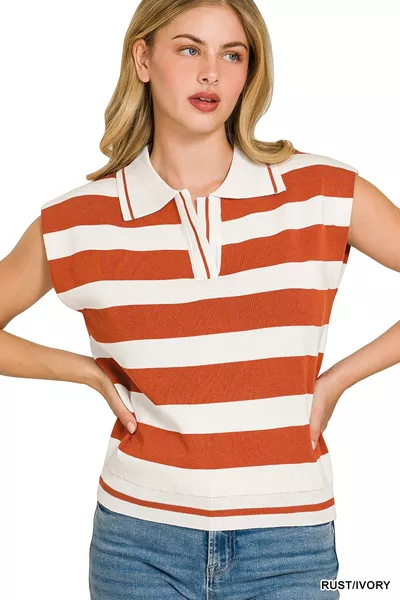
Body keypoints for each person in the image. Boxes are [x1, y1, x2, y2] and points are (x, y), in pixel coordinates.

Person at [1, 0, 399, 598]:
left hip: (289, 544)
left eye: (231, 55)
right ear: (142, 59)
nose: (211, 72)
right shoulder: (78, 221)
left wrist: (337, 380)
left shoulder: (319, 192)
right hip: (139, 545)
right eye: (189, 49)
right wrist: (82, 371)